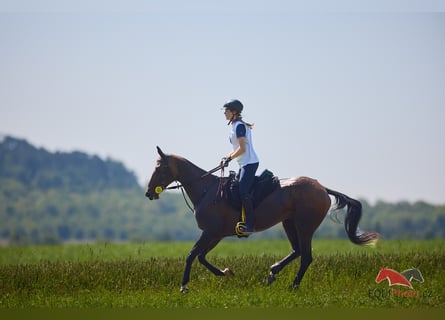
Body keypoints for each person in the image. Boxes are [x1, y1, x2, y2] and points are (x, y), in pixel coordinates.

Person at [221, 99, 259, 235]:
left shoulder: (239, 126)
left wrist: (230, 158)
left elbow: (242, 149)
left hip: (250, 163)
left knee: (243, 191)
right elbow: (238, 148)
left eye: (227, 110)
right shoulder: (235, 125)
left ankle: (250, 224)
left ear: (234, 112)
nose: (224, 113)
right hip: (243, 163)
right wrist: (227, 157)